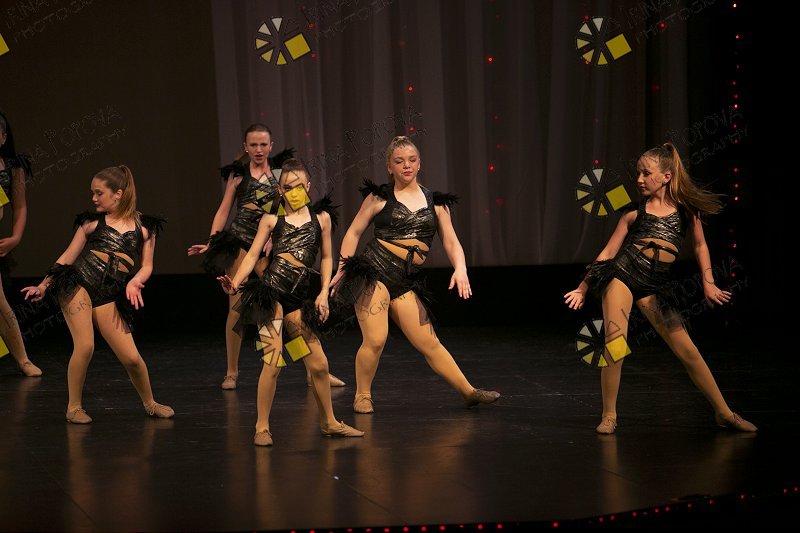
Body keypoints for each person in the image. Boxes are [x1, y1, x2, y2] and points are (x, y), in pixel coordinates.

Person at [563, 143, 756, 434]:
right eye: (638, 173)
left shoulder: (686, 211)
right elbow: (608, 253)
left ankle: (724, 412)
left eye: (646, 173)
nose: (639, 179)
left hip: (654, 287)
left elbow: (701, 246)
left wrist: (709, 283)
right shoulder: (633, 212)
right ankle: (609, 415)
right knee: (615, 342)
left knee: (688, 351)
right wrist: (582, 286)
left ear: (666, 177)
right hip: (622, 276)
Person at [330, 136, 500, 413]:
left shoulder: (436, 203)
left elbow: (451, 242)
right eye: (399, 161)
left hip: (404, 281)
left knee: (429, 342)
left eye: (411, 160)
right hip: (373, 273)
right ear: (389, 166)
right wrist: (342, 268)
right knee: (376, 339)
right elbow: (353, 233)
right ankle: (362, 395)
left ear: (419, 164)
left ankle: (468, 392)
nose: (406, 165)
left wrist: (460, 268)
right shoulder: (379, 197)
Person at [188, 124, 344, 390]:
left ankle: (313, 370)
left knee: (293, 311)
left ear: (271, 146)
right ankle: (232, 371)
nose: (258, 150)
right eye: (253, 145)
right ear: (245, 147)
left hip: (269, 246)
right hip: (241, 244)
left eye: (263, 145)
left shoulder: (280, 175)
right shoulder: (238, 176)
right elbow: (224, 210)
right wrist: (212, 242)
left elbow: (287, 208)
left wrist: (276, 236)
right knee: (237, 309)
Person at [219, 159, 363, 446]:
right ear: (280, 190)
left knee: (319, 365)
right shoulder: (271, 219)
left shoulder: (321, 219)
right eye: (287, 187)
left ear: (308, 186)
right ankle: (262, 427)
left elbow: (326, 257)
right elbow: (252, 254)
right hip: (270, 296)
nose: (293, 191)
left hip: (299, 301)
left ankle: (329, 422)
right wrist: (236, 282)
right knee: (273, 363)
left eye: (298, 186)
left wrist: (323, 292)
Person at [21, 165, 173, 424]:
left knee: (132, 358)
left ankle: (150, 403)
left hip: (108, 295)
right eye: (92, 193)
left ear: (118, 194)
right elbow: (67, 257)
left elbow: (147, 266)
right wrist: (44, 285)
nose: (93, 198)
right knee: (85, 346)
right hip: (77, 284)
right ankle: (74, 408)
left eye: (99, 193)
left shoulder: (145, 228)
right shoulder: (91, 223)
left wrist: (135, 281)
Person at [0, 110, 41, 377]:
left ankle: (23, 359)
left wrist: (15, 237)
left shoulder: (12, 166)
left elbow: (20, 206)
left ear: (3, 137)